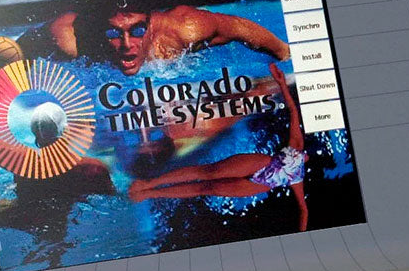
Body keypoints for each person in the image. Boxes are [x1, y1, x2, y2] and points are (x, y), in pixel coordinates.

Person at [128, 62, 309, 231]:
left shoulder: (298, 178)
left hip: (261, 185)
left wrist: (303, 234)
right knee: (208, 172)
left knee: (206, 189)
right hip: (262, 163)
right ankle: (149, 184)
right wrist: (281, 83)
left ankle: (151, 193)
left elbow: (303, 210)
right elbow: (293, 111)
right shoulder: (297, 148)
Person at [12, 0, 290, 75]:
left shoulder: (183, 29)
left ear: (150, 21)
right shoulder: (69, 36)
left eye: (137, 30)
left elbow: (239, 27)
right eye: (112, 33)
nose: (127, 45)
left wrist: (285, 55)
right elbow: (20, 48)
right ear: (96, 27)